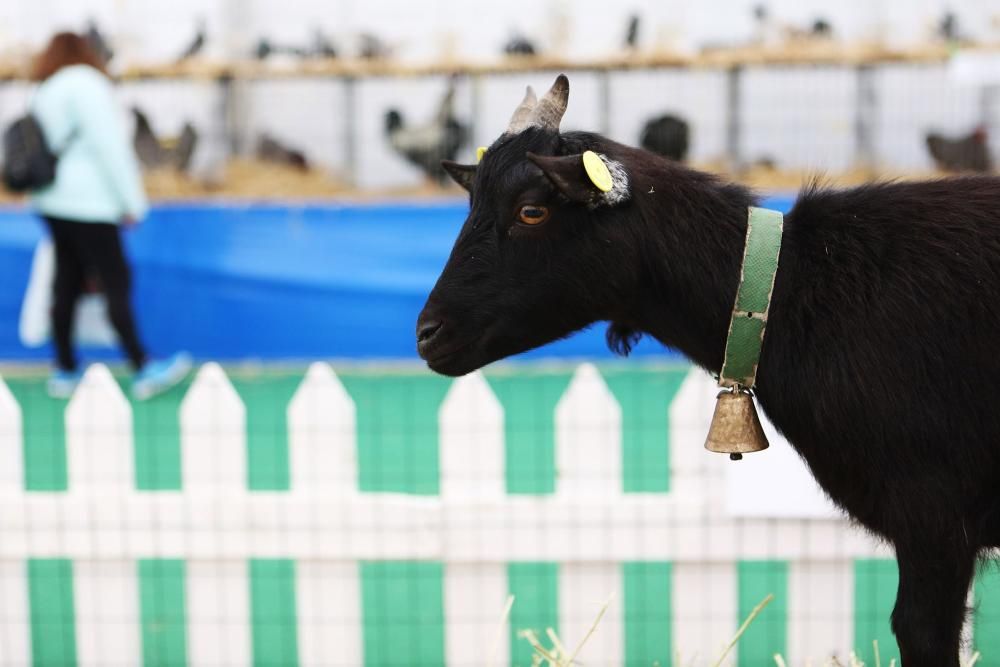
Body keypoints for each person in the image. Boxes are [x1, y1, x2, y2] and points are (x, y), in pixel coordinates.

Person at [29, 33, 190, 400]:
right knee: (115, 279)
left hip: (51, 201)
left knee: (66, 283)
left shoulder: (44, 88)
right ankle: (142, 364)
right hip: (90, 201)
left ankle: (65, 369)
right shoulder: (89, 84)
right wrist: (132, 201)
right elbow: (110, 146)